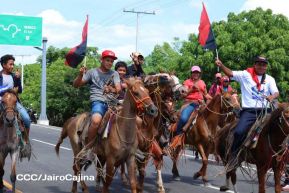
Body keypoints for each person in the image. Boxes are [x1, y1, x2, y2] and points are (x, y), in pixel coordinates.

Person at [215, 56, 279, 163]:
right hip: (249, 111)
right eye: (259, 64)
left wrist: (272, 97)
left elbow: (276, 92)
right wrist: (221, 65)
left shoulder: (270, 79)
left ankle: (282, 159)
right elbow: (230, 73)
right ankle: (234, 156)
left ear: (266, 67)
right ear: (255, 65)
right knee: (239, 132)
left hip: (266, 111)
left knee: (283, 128)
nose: (261, 66)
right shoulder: (245, 74)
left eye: (264, 65)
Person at [73, 50, 121, 148]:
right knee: (96, 121)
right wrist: (80, 74)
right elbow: (76, 85)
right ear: (101, 60)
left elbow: (118, 89)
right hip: (98, 101)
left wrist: (111, 89)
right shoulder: (92, 72)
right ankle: (88, 148)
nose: (110, 63)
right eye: (107, 60)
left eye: (112, 61)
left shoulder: (115, 73)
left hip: (113, 103)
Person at [0, 54, 31, 157]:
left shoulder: (14, 76)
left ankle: (25, 143)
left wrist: (18, 79)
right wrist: (8, 90)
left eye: (13, 64)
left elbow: (19, 90)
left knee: (26, 119)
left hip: (14, 102)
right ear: (4, 65)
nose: (12, 66)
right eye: (10, 64)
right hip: (1, 101)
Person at [173, 66, 212, 137]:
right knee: (183, 119)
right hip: (190, 103)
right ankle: (178, 135)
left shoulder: (202, 82)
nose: (196, 74)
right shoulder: (187, 82)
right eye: (194, 72)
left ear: (199, 74)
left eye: (197, 72)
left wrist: (214, 98)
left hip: (201, 104)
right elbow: (183, 94)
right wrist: (191, 89)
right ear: (191, 73)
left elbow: (206, 94)